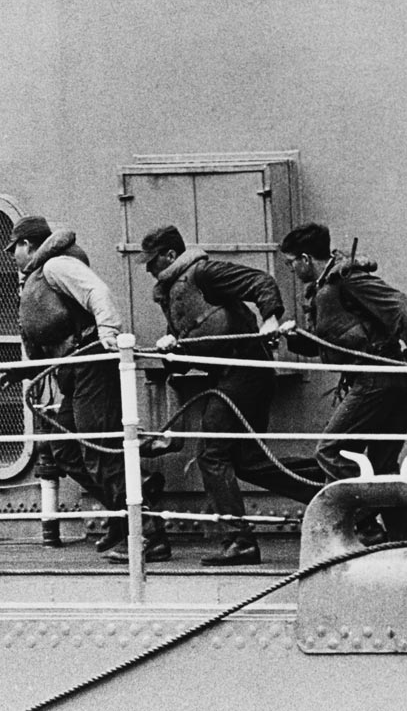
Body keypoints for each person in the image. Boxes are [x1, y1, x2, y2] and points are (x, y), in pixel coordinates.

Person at [141, 225, 327, 565]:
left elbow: (261, 282)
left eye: (152, 261)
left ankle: (239, 541)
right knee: (249, 463)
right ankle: (335, 487)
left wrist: (270, 318)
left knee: (212, 454)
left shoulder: (205, 272)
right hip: (233, 375)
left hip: (246, 371)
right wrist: (171, 350)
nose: (149, 269)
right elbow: (193, 339)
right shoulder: (173, 292)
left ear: (170, 254)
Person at [0, 215, 170, 563]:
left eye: (13, 248)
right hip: (74, 370)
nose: (12, 255)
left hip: (93, 364)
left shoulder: (57, 266)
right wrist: (22, 371)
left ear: (27, 245)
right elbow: (55, 340)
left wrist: (109, 334)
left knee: (99, 450)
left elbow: (97, 292)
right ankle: (124, 515)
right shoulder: (37, 274)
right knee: (66, 451)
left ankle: (149, 534)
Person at [275, 224, 407, 538]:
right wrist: (292, 338)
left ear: (306, 259)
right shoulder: (327, 290)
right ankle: (405, 537)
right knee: (382, 464)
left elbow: (398, 304)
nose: (291, 269)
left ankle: (363, 520)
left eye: (291, 262)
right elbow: (331, 343)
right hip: (391, 380)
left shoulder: (347, 279)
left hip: (377, 379)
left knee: (331, 450)